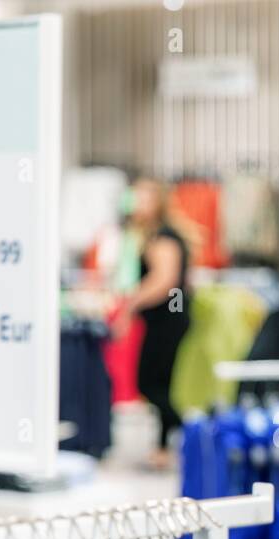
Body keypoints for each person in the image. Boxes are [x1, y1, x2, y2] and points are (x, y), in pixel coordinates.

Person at [118, 177, 192, 470]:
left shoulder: (164, 237)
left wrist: (130, 305)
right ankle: (164, 447)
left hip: (168, 319)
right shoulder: (156, 236)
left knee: (150, 383)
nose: (137, 204)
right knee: (159, 384)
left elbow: (165, 280)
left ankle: (189, 429)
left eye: (143, 198)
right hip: (169, 316)